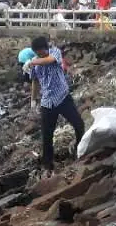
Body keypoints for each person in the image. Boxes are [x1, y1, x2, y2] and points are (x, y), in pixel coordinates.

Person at [24, 35, 86, 173]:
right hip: (47, 102)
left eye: (42, 52)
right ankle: (48, 164)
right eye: (37, 53)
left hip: (62, 97)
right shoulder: (35, 62)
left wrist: (33, 62)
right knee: (47, 135)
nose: (40, 55)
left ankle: (80, 150)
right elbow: (35, 81)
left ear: (46, 48)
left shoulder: (54, 52)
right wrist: (33, 100)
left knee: (78, 124)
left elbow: (50, 60)